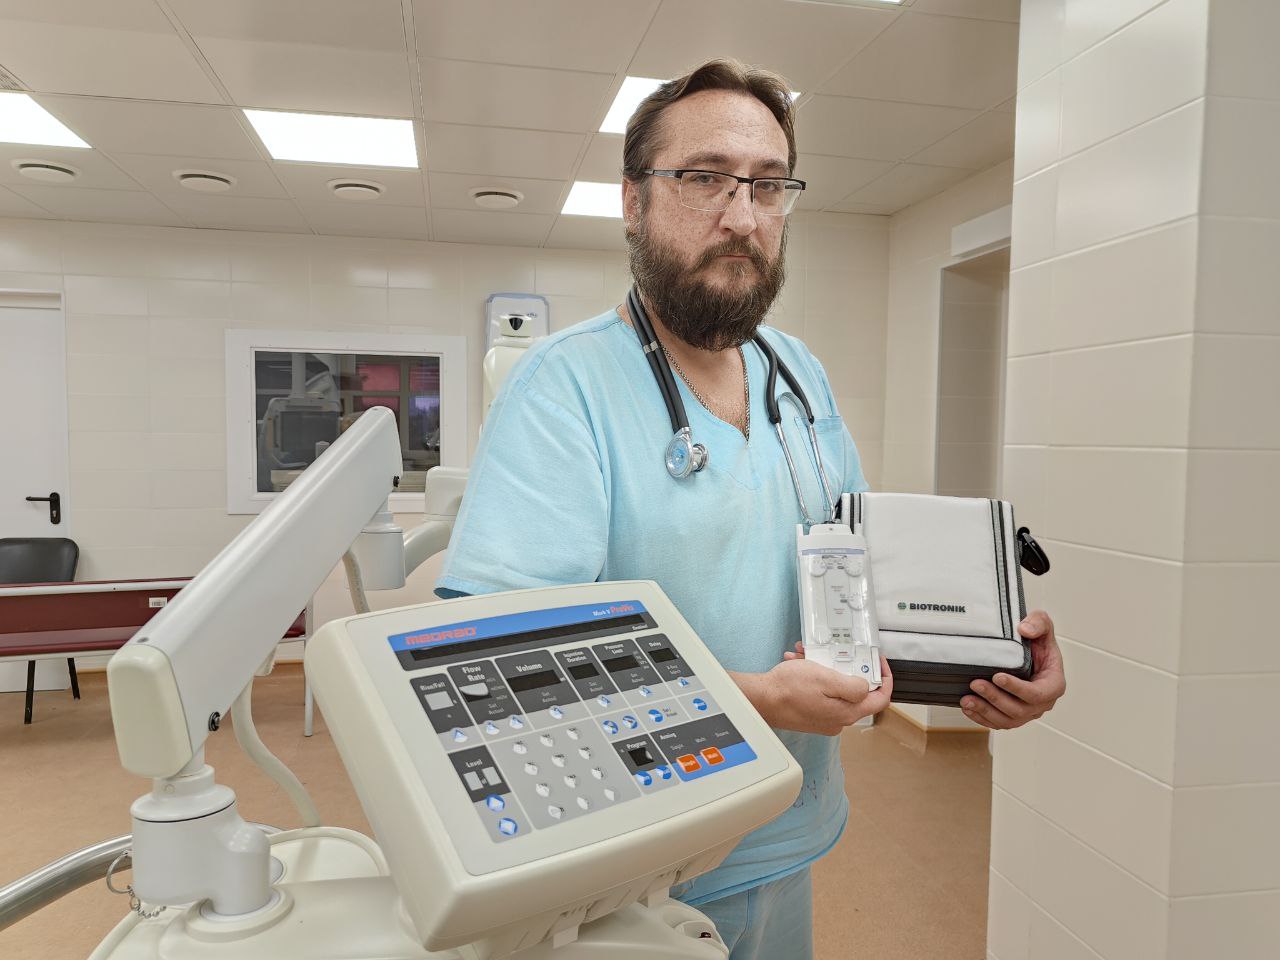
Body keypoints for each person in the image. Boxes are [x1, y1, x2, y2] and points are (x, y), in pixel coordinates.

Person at [437, 58, 1066, 960]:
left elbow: (857, 580)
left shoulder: (797, 374)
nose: (742, 216)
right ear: (632, 201)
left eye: (769, 186)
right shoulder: (562, 390)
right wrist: (762, 699)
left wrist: (986, 661)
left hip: (784, 830)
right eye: (705, 178)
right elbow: (506, 667)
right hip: (632, 869)